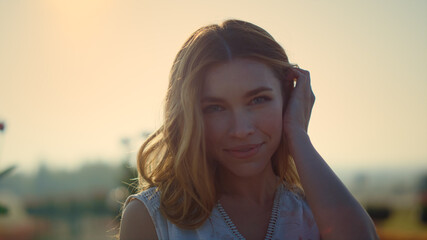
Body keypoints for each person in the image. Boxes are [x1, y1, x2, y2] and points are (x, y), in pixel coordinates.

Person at [119, 19, 379, 240]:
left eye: (258, 100)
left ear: (288, 99)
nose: (241, 130)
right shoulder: (153, 218)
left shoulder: (318, 211)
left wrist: (298, 136)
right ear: (189, 116)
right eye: (215, 107)